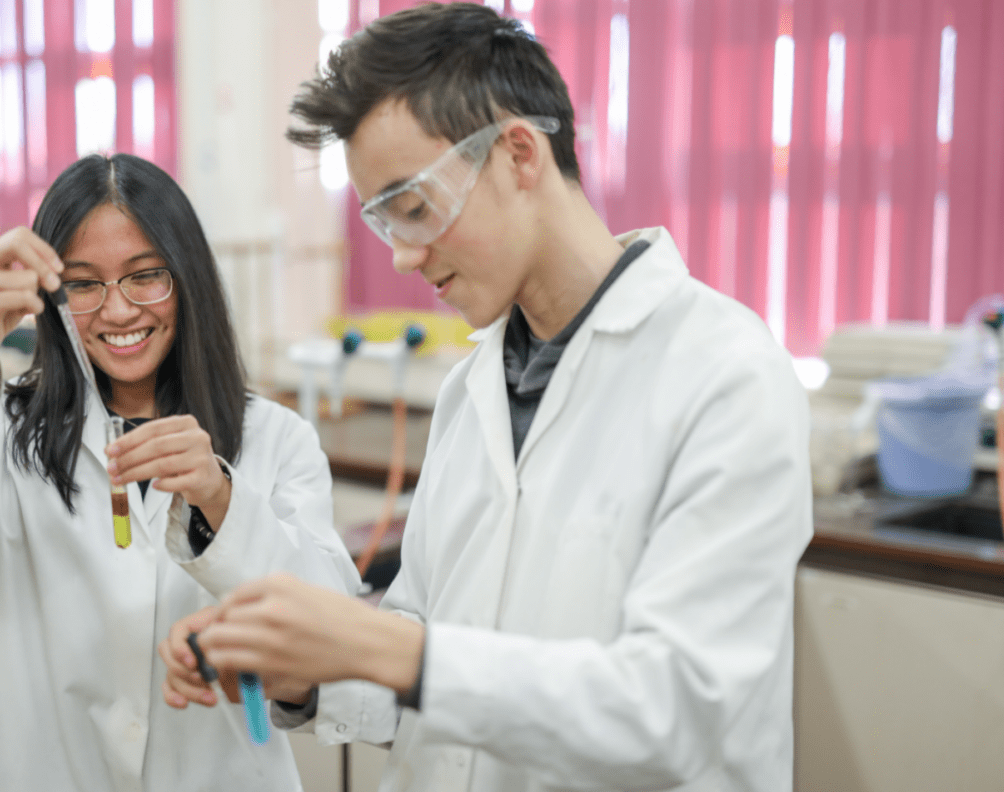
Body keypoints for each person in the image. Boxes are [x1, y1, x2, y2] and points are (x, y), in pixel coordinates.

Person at [180, 4, 812, 791]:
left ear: (519, 153)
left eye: (414, 207)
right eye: (383, 222)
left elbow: (676, 712)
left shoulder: (724, 374)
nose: (405, 255)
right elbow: (425, 657)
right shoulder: (472, 389)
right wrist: (306, 669)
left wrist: (377, 645)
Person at [0, 153, 359, 790]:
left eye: (146, 277)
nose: (117, 312)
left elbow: (334, 636)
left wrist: (223, 500)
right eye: (84, 284)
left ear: (187, 277)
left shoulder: (274, 440)